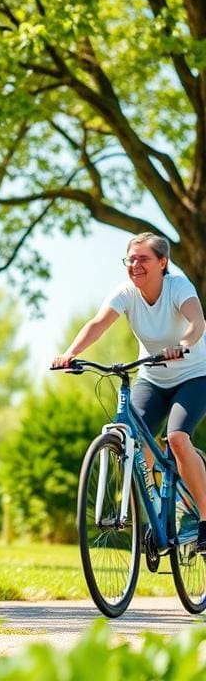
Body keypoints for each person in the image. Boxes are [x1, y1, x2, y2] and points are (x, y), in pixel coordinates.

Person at [53, 232, 206, 554]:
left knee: (177, 438)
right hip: (152, 376)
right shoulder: (126, 293)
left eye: (143, 259)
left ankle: (204, 519)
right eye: (130, 259)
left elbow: (197, 322)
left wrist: (183, 346)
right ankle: (153, 521)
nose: (135, 265)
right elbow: (98, 323)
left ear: (162, 262)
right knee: (134, 445)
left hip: (194, 375)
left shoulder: (178, 287)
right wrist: (70, 353)